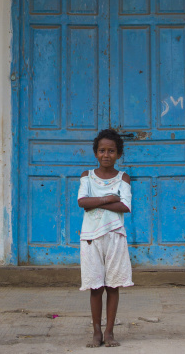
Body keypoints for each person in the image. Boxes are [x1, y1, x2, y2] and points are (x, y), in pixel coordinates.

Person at [77, 128, 133, 348]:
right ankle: (96, 332)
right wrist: (110, 198)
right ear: (95, 153)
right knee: (95, 287)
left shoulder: (123, 177)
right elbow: (82, 202)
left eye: (111, 151)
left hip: (115, 236)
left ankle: (109, 332)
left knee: (113, 286)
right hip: (91, 238)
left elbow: (125, 205)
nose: (106, 155)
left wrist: (97, 201)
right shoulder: (87, 176)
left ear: (118, 154)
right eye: (102, 150)